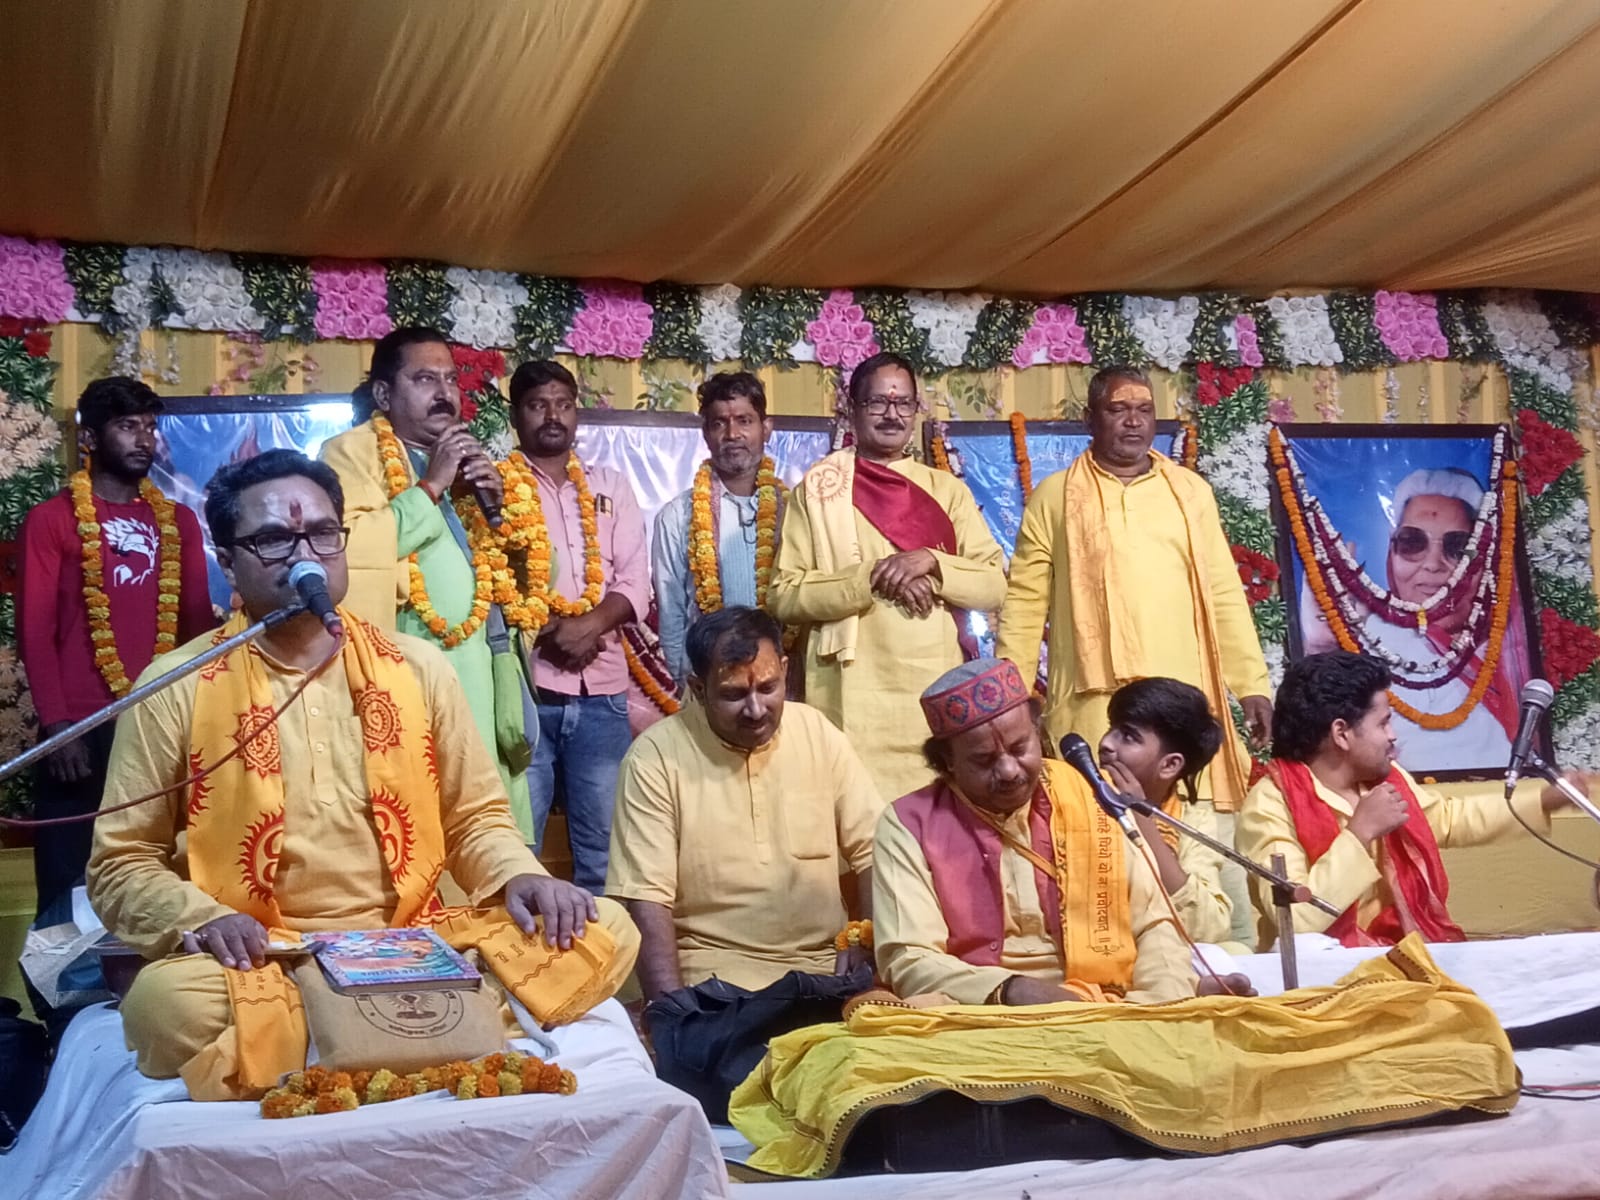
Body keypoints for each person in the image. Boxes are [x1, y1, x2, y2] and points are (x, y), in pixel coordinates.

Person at [86, 451, 638, 1099]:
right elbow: (121, 862)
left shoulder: (418, 667)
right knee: (165, 1005)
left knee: (604, 928)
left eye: (324, 533)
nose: (306, 556)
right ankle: (437, 1023)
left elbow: (475, 817)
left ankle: (331, 1036)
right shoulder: (175, 686)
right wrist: (203, 918)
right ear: (228, 562)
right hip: (273, 956)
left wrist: (521, 875)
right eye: (274, 539)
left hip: (415, 943)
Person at [996, 365, 1273, 817]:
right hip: (1094, 703)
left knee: (1190, 824)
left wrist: (1252, 687)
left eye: (1144, 410)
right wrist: (1013, 699)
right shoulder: (1055, 496)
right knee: (1095, 819)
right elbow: (1025, 605)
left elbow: (1223, 592)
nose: (1133, 421)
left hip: (1181, 696)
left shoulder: (1190, 493)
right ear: (1090, 418)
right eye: (1118, 410)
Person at [872, 657, 1199, 1006]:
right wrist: (1012, 989)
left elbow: (1154, 926)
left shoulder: (1092, 795)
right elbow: (909, 957)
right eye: (984, 760)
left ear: (1037, 732)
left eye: (1019, 749)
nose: (1009, 771)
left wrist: (1161, 1004)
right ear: (948, 761)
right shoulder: (907, 823)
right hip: (980, 1010)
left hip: (1110, 1005)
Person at [318, 328, 533, 834]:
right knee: (428, 821)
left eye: (450, 379)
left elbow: (531, 580)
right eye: (424, 379)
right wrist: (431, 486)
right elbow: (346, 549)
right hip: (412, 665)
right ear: (384, 394)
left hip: (483, 668)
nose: (444, 393)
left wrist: (502, 509)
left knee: (491, 820)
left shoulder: (471, 461)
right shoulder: (348, 453)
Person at [607, 606, 882, 1000]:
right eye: (734, 694)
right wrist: (674, 1013)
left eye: (768, 688)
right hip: (714, 978)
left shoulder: (818, 733)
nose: (755, 710)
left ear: (785, 671)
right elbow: (646, 898)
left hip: (825, 970)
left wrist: (867, 944)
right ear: (698, 689)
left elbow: (875, 849)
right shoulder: (654, 758)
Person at [17, 377, 214, 918]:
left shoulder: (179, 522)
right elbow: (35, 629)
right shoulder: (52, 520)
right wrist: (58, 728)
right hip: (79, 729)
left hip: (158, 721)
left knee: (159, 866)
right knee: (68, 877)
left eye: (150, 427)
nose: (144, 439)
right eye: (128, 426)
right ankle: (66, 979)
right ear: (90, 436)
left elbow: (197, 626)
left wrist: (202, 718)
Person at [769, 352, 1006, 800]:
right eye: (877, 402)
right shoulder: (820, 489)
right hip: (850, 689)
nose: (892, 414)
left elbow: (993, 585)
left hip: (934, 686)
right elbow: (785, 596)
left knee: (932, 825)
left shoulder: (947, 490)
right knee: (856, 824)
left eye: (903, 404)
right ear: (852, 408)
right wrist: (873, 576)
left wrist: (931, 563)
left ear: (917, 410)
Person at [1236, 650, 1581, 949]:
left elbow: (1448, 820)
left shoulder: (1383, 780)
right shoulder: (1269, 804)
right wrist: (1359, 835)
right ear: (1341, 733)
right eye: (1383, 723)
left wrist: (1543, 801)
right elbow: (1296, 919)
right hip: (1323, 981)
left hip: (1404, 957)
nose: (1393, 736)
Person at [495, 360, 650, 893]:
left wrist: (588, 626)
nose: (552, 416)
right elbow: (489, 578)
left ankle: (604, 946)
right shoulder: (496, 486)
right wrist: (555, 630)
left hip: (602, 694)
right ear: (516, 415)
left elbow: (636, 581)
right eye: (538, 405)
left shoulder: (611, 485)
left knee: (604, 854)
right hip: (526, 692)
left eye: (563, 404)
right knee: (518, 848)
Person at [1299, 467, 1530, 770]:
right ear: (1392, 552)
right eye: (1412, 542)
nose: (1432, 564)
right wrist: (1322, 649)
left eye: (1457, 548)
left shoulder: (1515, 647)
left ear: (1485, 559)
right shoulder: (1369, 640)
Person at [651, 371, 786, 686]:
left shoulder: (794, 510)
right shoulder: (677, 515)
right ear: (706, 433)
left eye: (744, 421)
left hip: (779, 682)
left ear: (766, 428)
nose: (732, 434)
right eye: (719, 423)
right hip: (710, 682)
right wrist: (688, 686)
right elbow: (671, 614)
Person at [1098, 677, 1234, 945]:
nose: (1106, 743)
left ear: (1170, 765)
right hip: (1102, 943)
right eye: (1111, 728)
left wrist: (1141, 819)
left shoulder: (1193, 820)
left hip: (1163, 947)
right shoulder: (1076, 794)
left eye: (1128, 736)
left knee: (1235, 951)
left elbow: (1211, 927)